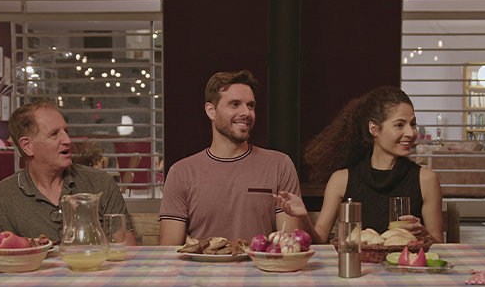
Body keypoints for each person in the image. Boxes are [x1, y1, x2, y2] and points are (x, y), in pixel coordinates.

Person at [274, 86, 444, 244]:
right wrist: (304, 217)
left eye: (413, 124)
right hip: (355, 271)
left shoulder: (426, 180)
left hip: (405, 272)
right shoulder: (341, 180)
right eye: (400, 125)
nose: (411, 133)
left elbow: (440, 245)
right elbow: (319, 240)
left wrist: (423, 233)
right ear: (374, 129)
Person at [158, 70, 301, 244]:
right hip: (203, 270)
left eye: (250, 105)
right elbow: (169, 250)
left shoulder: (280, 165)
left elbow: (289, 244)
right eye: (235, 104)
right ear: (211, 111)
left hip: (260, 268)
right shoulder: (181, 172)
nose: (246, 113)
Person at [0, 99, 137, 245]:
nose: (67, 140)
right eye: (54, 134)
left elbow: (127, 251)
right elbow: (7, 260)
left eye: (66, 131)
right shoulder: (1, 198)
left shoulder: (100, 182)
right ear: (27, 146)